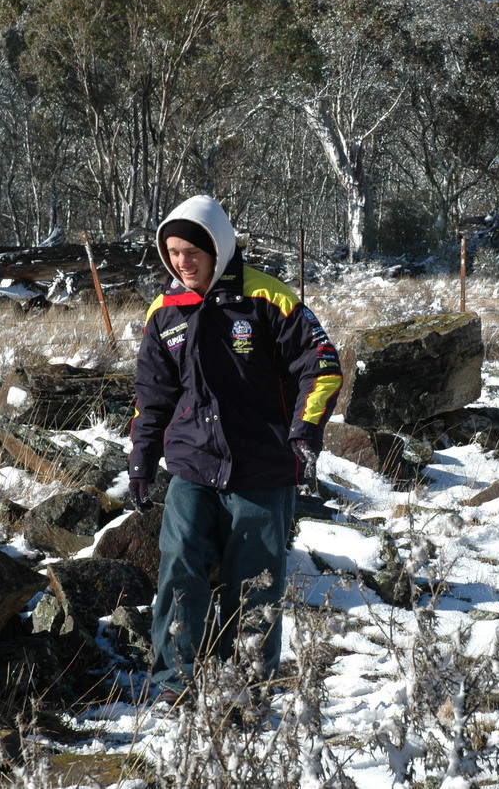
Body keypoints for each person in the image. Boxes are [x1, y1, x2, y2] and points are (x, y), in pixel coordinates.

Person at [128, 194, 343, 705]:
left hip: (261, 469)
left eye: (193, 251)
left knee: (255, 585)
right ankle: (172, 686)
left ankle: (249, 689)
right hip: (192, 466)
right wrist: (140, 460)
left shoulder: (269, 300)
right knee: (179, 566)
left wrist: (304, 435)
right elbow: (152, 395)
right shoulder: (165, 311)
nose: (183, 262)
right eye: (174, 253)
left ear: (217, 247)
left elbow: (323, 367)